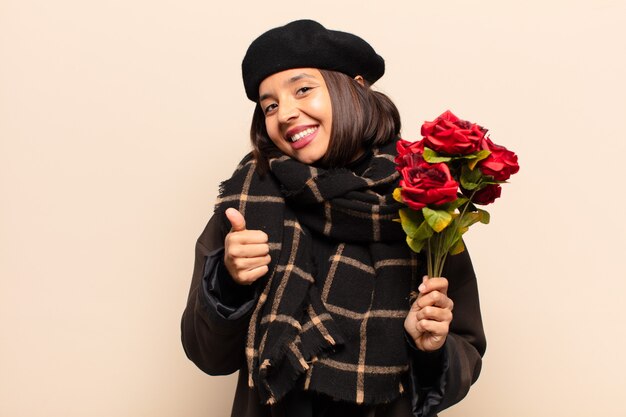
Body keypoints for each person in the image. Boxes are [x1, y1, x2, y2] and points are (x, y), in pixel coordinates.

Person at [181, 19, 486, 417]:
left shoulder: (420, 199)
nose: (285, 113)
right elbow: (209, 357)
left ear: (355, 87)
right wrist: (229, 282)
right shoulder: (248, 202)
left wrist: (429, 347)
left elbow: (464, 351)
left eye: (303, 89)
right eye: (269, 105)